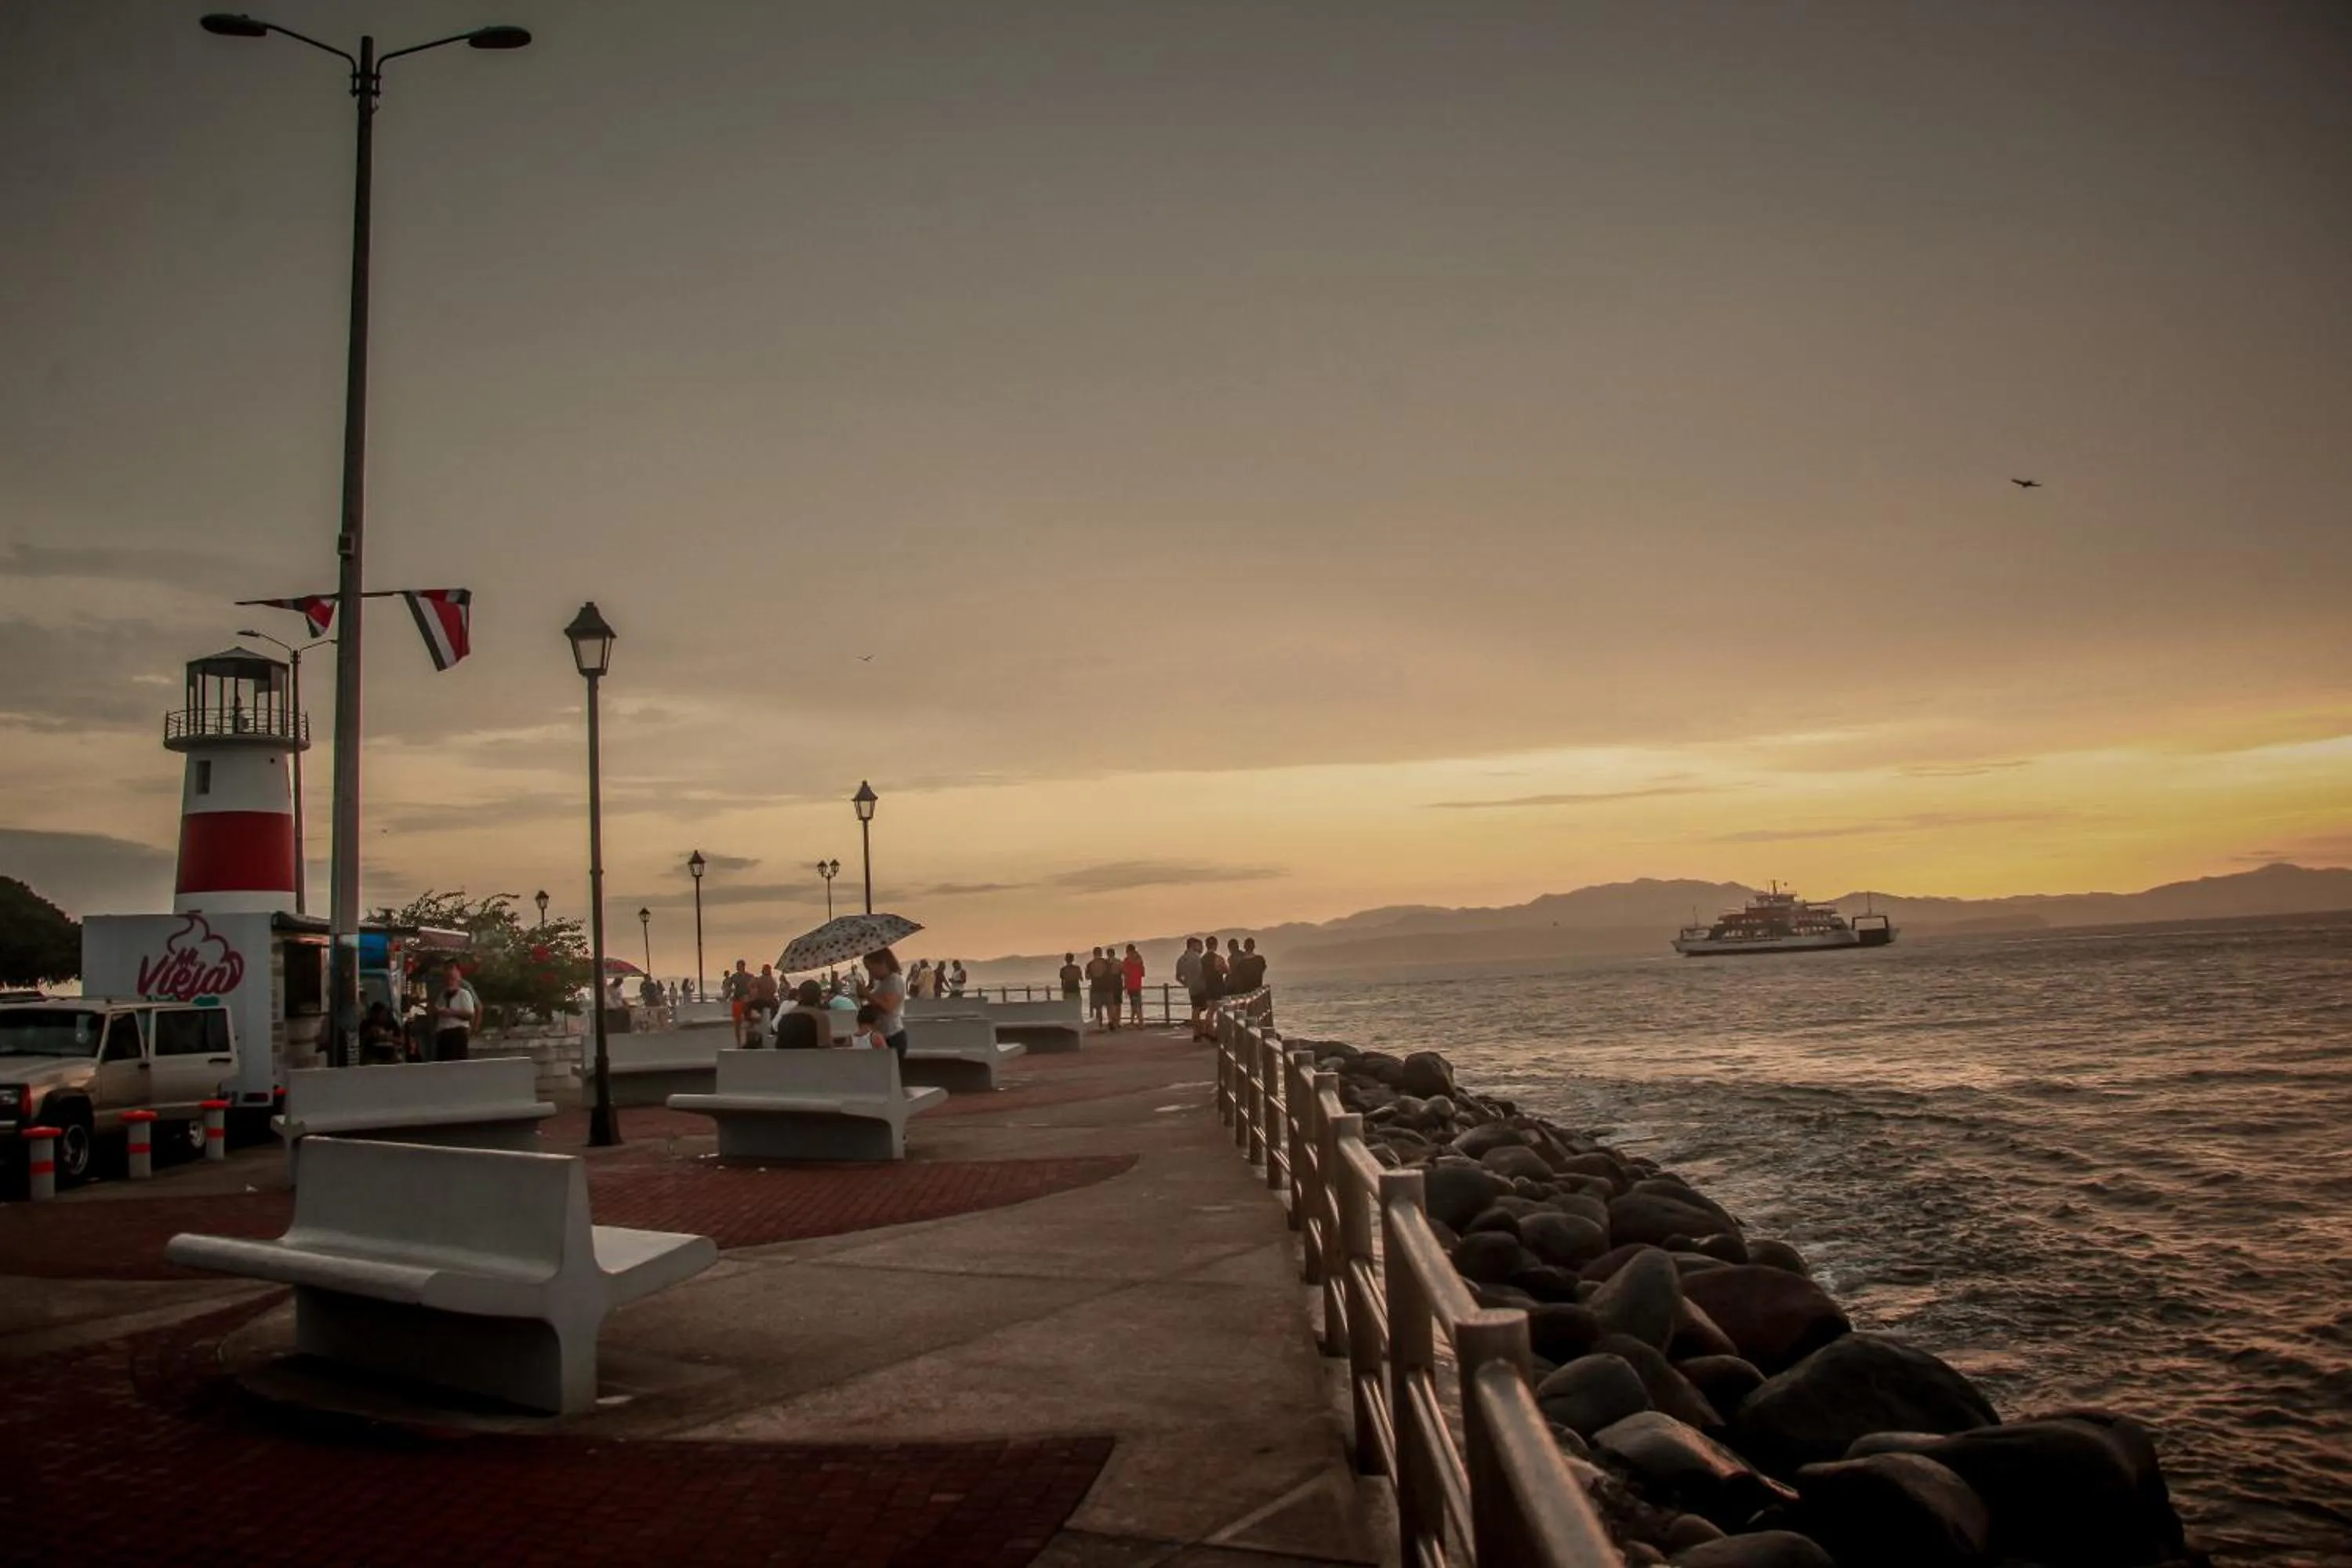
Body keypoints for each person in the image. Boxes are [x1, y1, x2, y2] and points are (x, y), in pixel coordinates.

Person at [430, 961, 481, 1061]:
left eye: (452, 979)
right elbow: (436, 1011)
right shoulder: (442, 995)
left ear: (458, 981)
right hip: (442, 1034)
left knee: (457, 1064)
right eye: (447, 979)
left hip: (457, 1033)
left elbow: (469, 1014)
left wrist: (451, 1012)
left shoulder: (464, 994)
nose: (450, 982)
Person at [863, 947, 908, 1057]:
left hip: (892, 1035)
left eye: (870, 968)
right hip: (882, 1034)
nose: (870, 973)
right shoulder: (881, 982)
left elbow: (888, 1007)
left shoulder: (894, 980)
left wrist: (867, 995)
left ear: (882, 963)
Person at [1196, 935, 1227, 1040]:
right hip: (1218, 986)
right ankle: (1209, 1031)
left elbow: (1199, 974)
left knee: (1210, 1010)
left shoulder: (1202, 960)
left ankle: (1209, 1030)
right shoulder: (1218, 958)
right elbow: (1226, 970)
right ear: (1216, 945)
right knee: (1217, 1010)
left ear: (1206, 945)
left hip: (1207, 987)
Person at [1178, 936, 1206, 1039]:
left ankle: (1196, 1032)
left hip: (1192, 988)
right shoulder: (1197, 958)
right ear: (1193, 945)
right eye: (1199, 945)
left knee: (1196, 1010)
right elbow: (1204, 972)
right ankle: (1204, 1029)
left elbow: (1178, 977)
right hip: (1202, 986)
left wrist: (1187, 983)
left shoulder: (1181, 959)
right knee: (1208, 1007)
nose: (1201, 947)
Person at [359, 1000, 404, 1065]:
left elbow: (401, 1040)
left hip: (390, 1054)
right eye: (377, 1015)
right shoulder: (366, 1024)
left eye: (383, 1014)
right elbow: (360, 1040)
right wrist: (370, 1034)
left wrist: (389, 1038)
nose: (380, 1017)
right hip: (372, 1055)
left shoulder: (391, 1024)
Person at [1122, 943, 1146, 1027]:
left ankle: (1141, 1022)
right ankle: (1132, 1021)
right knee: (1135, 1004)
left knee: (1135, 1004)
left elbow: (1125, 973)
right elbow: (1143, 973)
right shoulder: (1140, 960)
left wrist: (1125, 985)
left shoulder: (1126, 961)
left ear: (1128, 951)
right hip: (1138, 984)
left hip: (1131, 985)